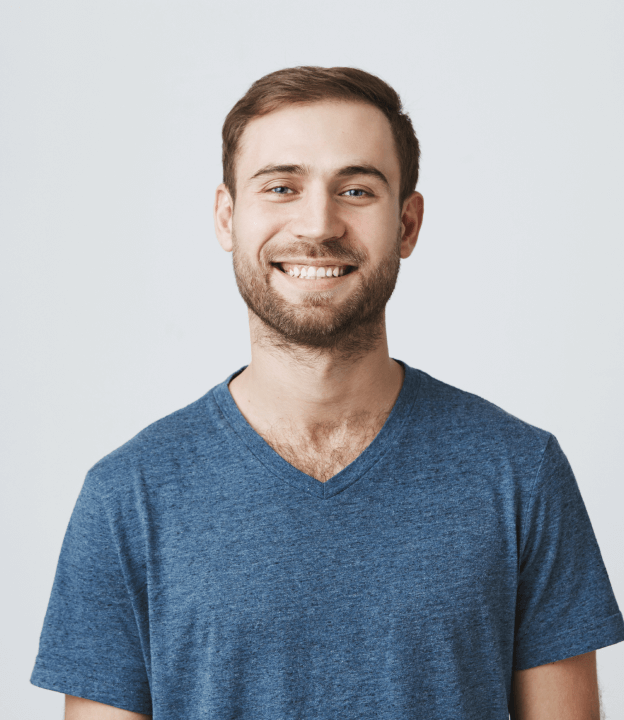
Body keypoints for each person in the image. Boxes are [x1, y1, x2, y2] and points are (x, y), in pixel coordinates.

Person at [31, 66, 623, 719]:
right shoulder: (127, 497)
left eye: (356, 190)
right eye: (281, 187)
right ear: (227, 217)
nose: (318, 225)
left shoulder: (520, 475)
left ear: (407, 224)